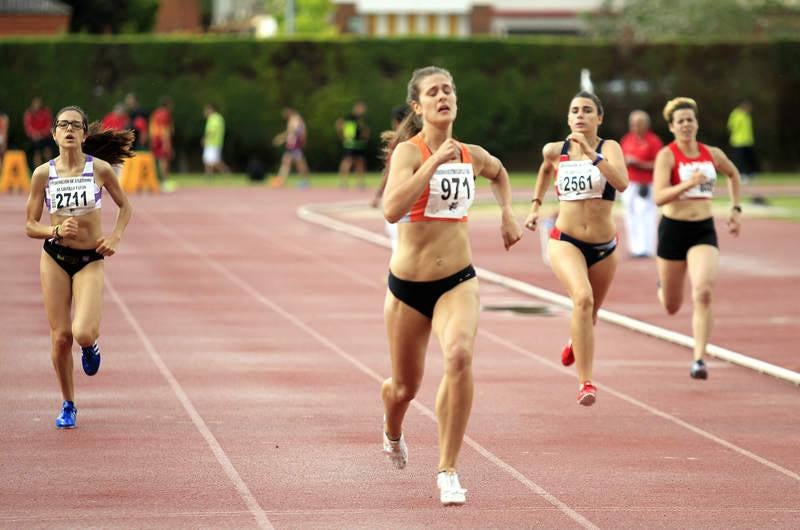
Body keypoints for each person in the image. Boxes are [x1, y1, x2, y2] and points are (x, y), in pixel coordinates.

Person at [380, 66, 522, 506]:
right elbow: (390, 209)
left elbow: (499, 174)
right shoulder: (409, 152)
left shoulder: (471, 154)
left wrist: (507, 212)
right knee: (404, 388)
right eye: (433, 92)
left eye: (449, 90)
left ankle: (448, 469)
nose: (444, 96)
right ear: (418, 106)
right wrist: (431, 165)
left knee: (459, 355)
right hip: (408, 288)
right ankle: (392, 428)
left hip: (457, 280)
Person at [24, 105, 134, 429]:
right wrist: (54, 230)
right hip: (55, 258)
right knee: (60, 338)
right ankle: (68, 403)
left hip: (89, 260)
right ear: (54, 133)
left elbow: (126, 207)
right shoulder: (43, 174)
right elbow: (30, 224)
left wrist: (115, 236)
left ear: (84, 134)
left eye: (75, 125)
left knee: (82, 332)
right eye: (63, 125)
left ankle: (90, 345)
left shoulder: (99, 169)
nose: (69, 129)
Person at [523, 91, 628, 406]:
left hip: (604, 247)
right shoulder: (556, 150)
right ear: (568, 119)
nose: (580, 115)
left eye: (587, 110)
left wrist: (592, 155)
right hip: (565, 240)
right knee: (582, 299)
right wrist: (535, 205)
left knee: (590, 313)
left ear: (599, 118)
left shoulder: (609, 148)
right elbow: (544, 170)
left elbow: (622, 182)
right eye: (575, 111)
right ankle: (586, 383)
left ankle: (574, 339)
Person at [653, 97, 742, 380]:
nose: (686, 124)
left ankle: (699, 359)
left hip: (703, 229)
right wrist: (687, 184)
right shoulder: (667, 155)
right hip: (673, 230)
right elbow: (658, 196)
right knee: (671, 305)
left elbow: (733, 174)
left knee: (702, 292)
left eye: (690, 119)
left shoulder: (711, 153)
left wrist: (736, 208)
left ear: (696, 123)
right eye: (680, 121)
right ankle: (662, 286)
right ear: (672, 127)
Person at [620, 110, 663, 258]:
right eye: (632, 124)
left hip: (646, 184)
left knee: (645, 214)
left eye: (638, 124)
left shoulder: (653, 141)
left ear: (646, 124)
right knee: (630, 214)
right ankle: (634, 247)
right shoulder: (627, 140)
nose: (635, 127)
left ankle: (646, 248)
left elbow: (659, 164)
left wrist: (639, 163)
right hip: (629, 183)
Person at [372, 104, 410, 253]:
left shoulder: (399, 144)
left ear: (396, 122)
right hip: (418, 202)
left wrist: (378, 194)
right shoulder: (424, 140)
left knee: (399, 246)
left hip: (398, 200)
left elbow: (388, 172)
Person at [270, 107, 309, 188]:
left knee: (299, 163)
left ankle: (304, 181)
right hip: (294, 144)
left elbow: (293, 131)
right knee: (288, 162)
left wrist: (281, 138)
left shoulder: (294, 119)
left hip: (294, 144)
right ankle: (281, 181)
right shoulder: (297, 119)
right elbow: (301, 131)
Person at [337, 101, 370, 189]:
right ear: (356, 108)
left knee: (360, 162)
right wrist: (342, 136)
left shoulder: (362, 119)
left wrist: (365, 136)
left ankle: (360, 182)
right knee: (348, 161)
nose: (363, 110)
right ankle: (343, 181)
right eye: (361, 108)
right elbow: (339, 124)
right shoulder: (349, 117)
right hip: (350, 144)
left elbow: (365, 130)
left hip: (359, 144)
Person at [727, 100, 758, 183]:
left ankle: (750, 174)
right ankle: (741, 175)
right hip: (738, 141)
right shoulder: (736, 114)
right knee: (740, 160)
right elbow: (731, 126)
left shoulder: (747, 115)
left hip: (748, 141)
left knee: (749, 159)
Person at [24, 96, 53, 168]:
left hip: (45, 136)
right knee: (37, 152)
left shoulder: (46, 111)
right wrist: (35, 134)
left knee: (47, 151)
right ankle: (38, 170)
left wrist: (42, 133)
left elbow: (49, 124)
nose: (37, 104)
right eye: (35, 102)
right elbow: (28, 127)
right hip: (35, 138)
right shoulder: (29, 113)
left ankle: (50, 169)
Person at [149, 96, 174, 180]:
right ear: (168, 104)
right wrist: (166, 143)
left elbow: (151, 127)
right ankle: (165, 179)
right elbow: (165, 129)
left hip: (155, 137)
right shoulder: (166, 113)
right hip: (162, 138)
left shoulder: (155, 112)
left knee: (158, 159)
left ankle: (158, 179)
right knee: (165, 159)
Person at [202, 103, 228, 176]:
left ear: (211, 110)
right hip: (213, 142)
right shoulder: (215, 118)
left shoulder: (215, 118)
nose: (205, 112)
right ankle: (209, 175)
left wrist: (205, 138)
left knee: (214, 161)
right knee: (208, 160)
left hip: (213, 142)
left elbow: (212, 130)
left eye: (206, 110)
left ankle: (226, 171)